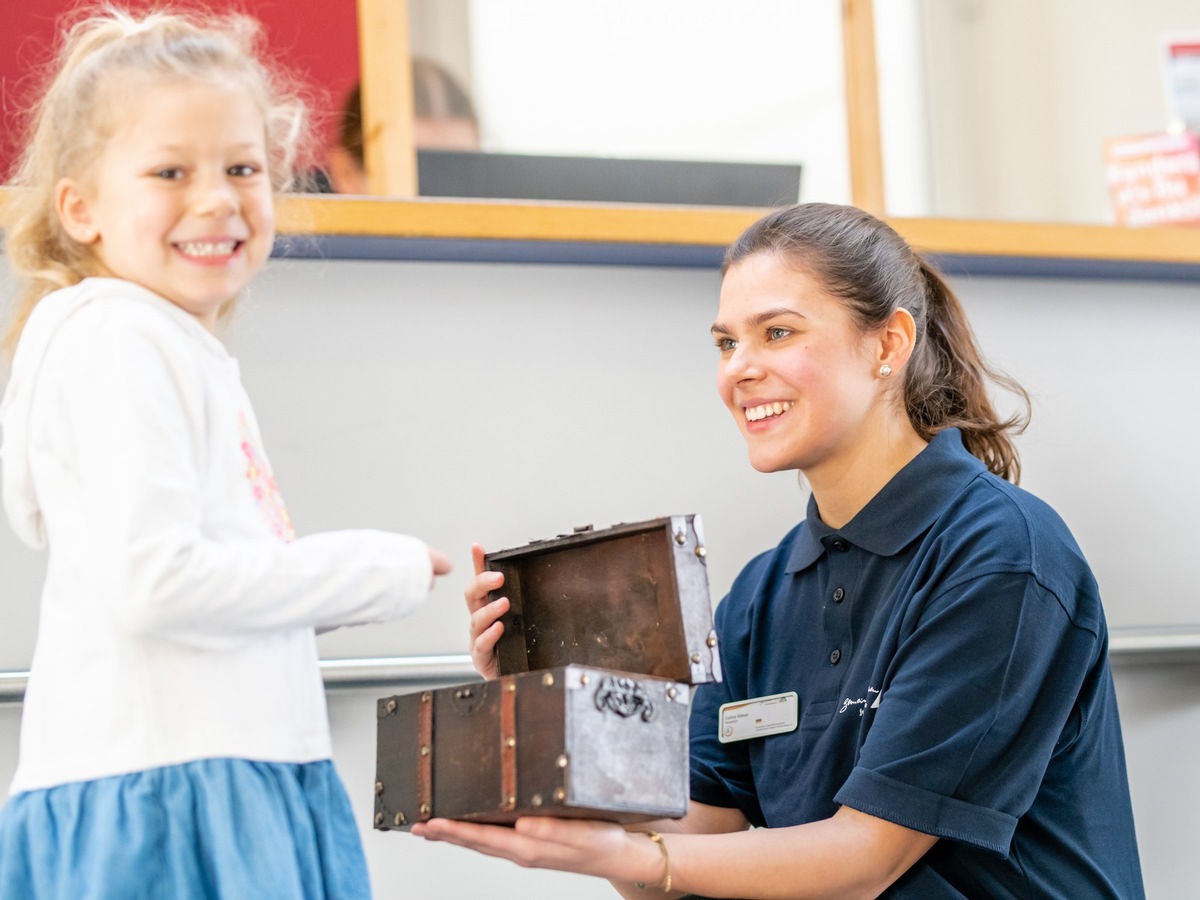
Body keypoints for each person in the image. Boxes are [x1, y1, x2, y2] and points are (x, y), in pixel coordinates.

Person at [416, 202, 1145, 898]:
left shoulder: (1000, 556)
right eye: (726, 342)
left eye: (778, 333)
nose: (739, 370)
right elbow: (683, 852)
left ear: (888, 344)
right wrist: (548, 718)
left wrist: (632, 852)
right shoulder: (762, 596)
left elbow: (865, 859)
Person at [0, 7, 451, 898]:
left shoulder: (162, 342)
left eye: (242, 168)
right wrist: (370, 570)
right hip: (177, 800)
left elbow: (203, 579)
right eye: (170, 171)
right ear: (80, 206)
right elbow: (157, 583)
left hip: (223, 774)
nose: (216, 198)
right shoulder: (119, 342)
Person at [324, 58, 481, 194]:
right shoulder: (303, 222)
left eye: (461, 171)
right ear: (347, 174)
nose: (444, 193)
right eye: (419, 171)